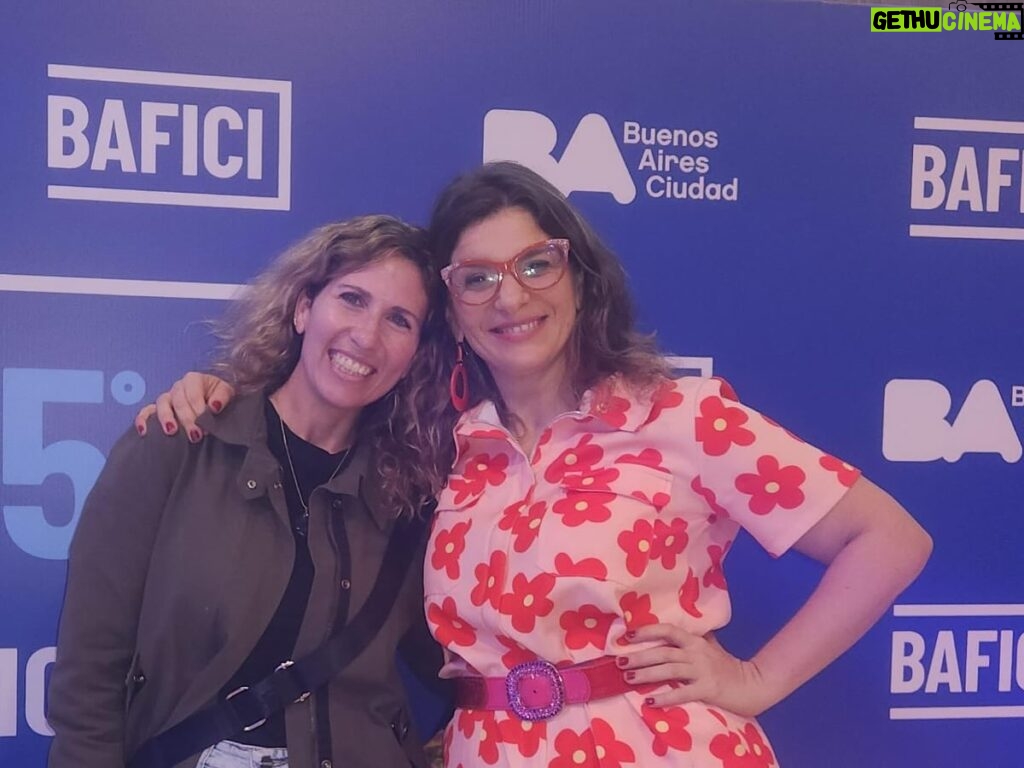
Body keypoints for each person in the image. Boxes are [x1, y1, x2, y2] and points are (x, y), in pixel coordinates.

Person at [141, 161, 932, 768]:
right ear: (451, 310)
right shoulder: (438, 447)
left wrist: (757, 682)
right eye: (476, 278)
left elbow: (890, 541)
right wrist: (219, 394)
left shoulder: (679, 415)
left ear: (578, 277)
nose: (508, 297)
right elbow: (312, 421)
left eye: (535, 264)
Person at [49, 215, 452, 768]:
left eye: (399, 320)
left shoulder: (411, 496)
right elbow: (90, 671)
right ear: (304, 306)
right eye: (352, 299)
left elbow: (464, 662)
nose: (367, 335)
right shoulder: (179, 444)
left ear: (415, 355)